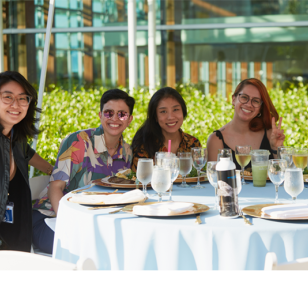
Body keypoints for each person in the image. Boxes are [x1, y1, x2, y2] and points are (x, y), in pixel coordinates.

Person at [32, 89, 135, 254]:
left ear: (129, 119)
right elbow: (55, 187)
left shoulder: (127, 152)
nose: (115, 119)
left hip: (95, 223)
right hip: (52, 218)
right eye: (109, 113)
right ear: (100, 115)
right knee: (97, 248)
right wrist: (68, 225)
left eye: (121, 114)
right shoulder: (78, 142)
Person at [0, 71, 53, 252]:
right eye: (7, 97)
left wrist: (52, 170)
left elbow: (27, 153)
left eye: (23, 98)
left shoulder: (16, 137)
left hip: (15, 232)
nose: (16, 104)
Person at [207, 78, 285, 170]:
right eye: (244, 97)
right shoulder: (216, 140)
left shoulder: (269, 134)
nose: (249, 104)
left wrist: (276, 148)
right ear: (233, 99)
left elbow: (283, 175)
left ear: (260, 108)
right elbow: (215, 180)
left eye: (256, 101)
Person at [131, 87, 201, 171]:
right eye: (163, 111)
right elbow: (139, 179)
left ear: (183, 111)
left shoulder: (193, 144)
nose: (170, 117)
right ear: (155, 117)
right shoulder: (144, 144)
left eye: (175, 109)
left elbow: (199, 175)